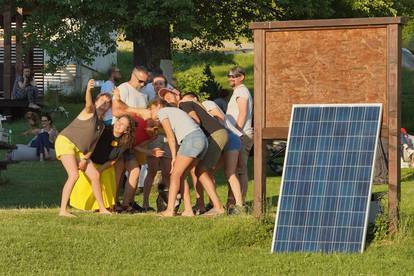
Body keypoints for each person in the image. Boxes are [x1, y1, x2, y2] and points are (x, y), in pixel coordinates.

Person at [55, 79, 112, 217]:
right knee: (73, 175)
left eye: (108, 102)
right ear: (96, 101)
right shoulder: (90, 111)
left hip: (81, 150)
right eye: (102, 100)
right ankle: (63, 210)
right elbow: (88, 104)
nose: (105, 103)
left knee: (95, 175)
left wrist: (85, 159)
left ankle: (102, 208)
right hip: (66, 141)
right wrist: (88, 90)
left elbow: (92, 145)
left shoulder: (102, 125)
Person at [149, 98, 209, 217]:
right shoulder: (175, 112)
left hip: (192, 139)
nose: (151, 113)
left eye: (151, 109)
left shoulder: (163, 112)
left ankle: (170, 210)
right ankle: (188, 210)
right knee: (181, 176)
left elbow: (170, 137)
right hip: (202, 140)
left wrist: (174, 157)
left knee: (175, 175)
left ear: (158, 105)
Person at [70, 115, 135, 211]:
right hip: (90, 161)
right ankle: (86, 206)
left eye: (123, 124)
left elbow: (113, 160)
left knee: (106, 178)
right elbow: (89, 146)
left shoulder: (125, 141)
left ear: (126, 130)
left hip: (106, 166)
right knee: (90, 180)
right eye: (119, 121)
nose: (119, 124)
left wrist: (100, 169)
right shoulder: (104, 131)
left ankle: (104, 206)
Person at [178, 93, 228, 215]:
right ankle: (205, 205)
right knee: (202, 170)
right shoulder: (192, 105)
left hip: (214, 135)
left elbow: (196, 120)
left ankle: (218, 207)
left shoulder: (183, 104)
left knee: (201, 170)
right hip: (216, 134)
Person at [112, 66, 149, 213]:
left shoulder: (143, 94)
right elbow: (116, 111)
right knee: (119, 171)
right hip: (120, 137)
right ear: (133, 75)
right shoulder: (123, 88)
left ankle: (127, 204)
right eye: (140, 81)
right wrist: (139, 111)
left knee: (135, 170)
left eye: (145, 82)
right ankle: (113, 202)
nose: (142, 85)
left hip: (134, 140)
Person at [201, 99, 244, 213]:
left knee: (230, 172)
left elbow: (221, 117)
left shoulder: (206, 104)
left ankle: (239, 205)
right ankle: (214, 203)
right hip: (227, 139)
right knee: (211, 171)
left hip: (229, 138)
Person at [226, 66, 253, 202]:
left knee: (240, 169)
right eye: (229, 76)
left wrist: (236, 132)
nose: (230, 78)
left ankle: (239, 202)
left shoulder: (242, 92)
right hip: (238, 134)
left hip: (242, 135)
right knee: (235, 170)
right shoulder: (238, 91)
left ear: (241, 77)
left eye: (233, 76)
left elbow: (242, 114)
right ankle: (233, 201)